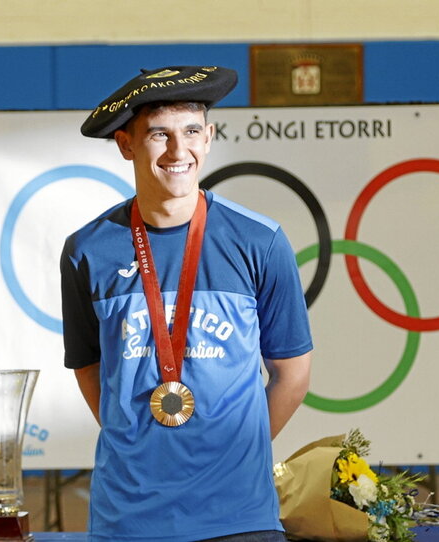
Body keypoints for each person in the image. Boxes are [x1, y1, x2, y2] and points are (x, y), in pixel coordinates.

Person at [60, 65, 313, 542]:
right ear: (126, 144)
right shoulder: (87, 250)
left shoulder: (260, 241)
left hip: (239, 518)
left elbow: (293, 375)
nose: (179, 151)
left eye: (191, 131)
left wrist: (236, 456)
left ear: (210, 137)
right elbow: (89, 369)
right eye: (159, 134)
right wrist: (139, 444)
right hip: (126, 520)